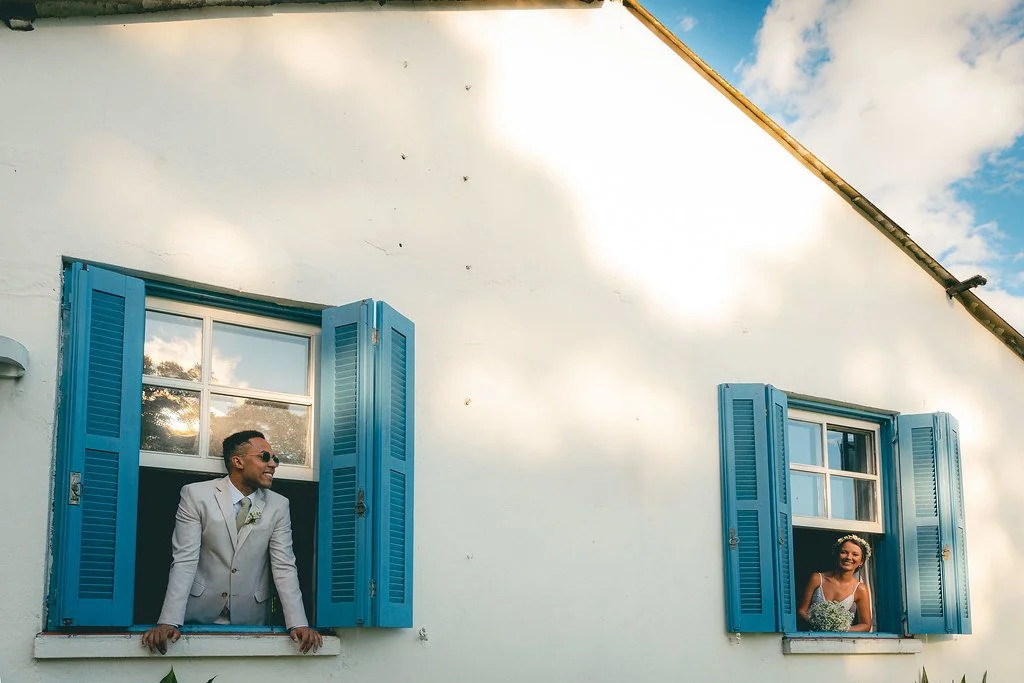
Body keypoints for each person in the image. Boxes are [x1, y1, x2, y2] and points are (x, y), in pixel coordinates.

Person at [141, 430, 323, 654]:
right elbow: (184, 560)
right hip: (196, 616)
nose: (273, 464)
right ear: (238, 461)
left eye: (275, 458)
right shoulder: (196, 495)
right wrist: (169, 620)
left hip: (252, 620)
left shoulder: (279, 505)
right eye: (265, 456)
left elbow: (284, 565)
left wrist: (299, 623)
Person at [796, 534, 873, 632]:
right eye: (844, 552)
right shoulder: (817, 579)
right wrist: (817, 625)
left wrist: (841, 630)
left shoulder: (860, 589)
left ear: (861, 561)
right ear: (837, 555)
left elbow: (866, 625)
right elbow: (801, 611)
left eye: (855, 554)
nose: (849, 557)